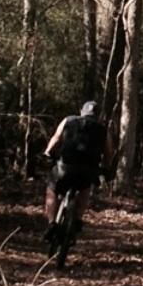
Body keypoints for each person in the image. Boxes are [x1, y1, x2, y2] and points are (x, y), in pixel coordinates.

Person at [43, 101, 114, 243]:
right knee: (85, 189)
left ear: (81, 111)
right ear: (98, 115)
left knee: (52, 190)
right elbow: (109, 152)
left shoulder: (68, 120)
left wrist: (48, 152)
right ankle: (78, 219)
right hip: (87, 170)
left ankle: (51, 223)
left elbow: (56, 138)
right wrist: (106, 168)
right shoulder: (102, 129)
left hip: (65, 167)